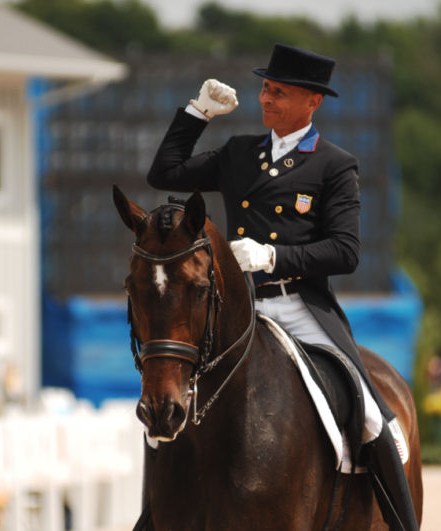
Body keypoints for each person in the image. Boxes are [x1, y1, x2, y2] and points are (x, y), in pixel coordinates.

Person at [146, 43, 418, 531]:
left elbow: (346, 251)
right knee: (166, 407)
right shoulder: (239, 153)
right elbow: (163, 173)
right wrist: (197, 114)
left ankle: (403, 523)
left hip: (298, 307)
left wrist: (274, 257)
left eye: (279, 92)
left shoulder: (334, 165)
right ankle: (153, 515)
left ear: (313, 102)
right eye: (266, 89)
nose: (266, 99)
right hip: (236, 309)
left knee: (373, 419)